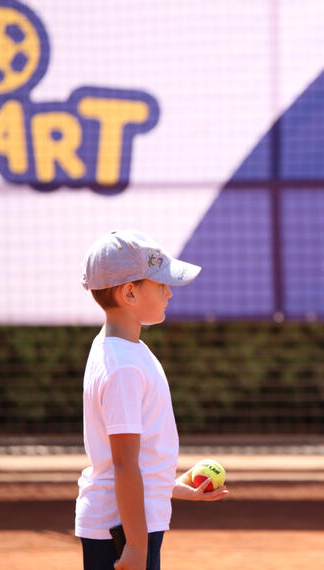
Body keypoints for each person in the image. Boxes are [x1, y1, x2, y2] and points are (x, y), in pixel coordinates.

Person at [75, 229, 229, 570]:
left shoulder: (126, 350)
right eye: (161, 285)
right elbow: (123, 464)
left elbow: (132, 462)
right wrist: (136, 546)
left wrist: (170, 488)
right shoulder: (123, 366)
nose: (170, 292)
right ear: (130, 292)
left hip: (128, 523)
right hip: (120, 531)